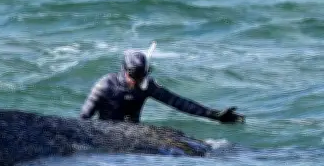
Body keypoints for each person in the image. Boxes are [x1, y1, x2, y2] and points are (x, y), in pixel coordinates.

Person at [80, 49, 244, 124]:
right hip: (105, 130)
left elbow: (178, 102)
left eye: (141, 76)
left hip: (133, 132)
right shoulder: (106, 84)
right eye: (133, 76)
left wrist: (214, 115)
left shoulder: (146, 86)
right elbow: (84, 117)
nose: (136, 81)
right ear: (123, 71)